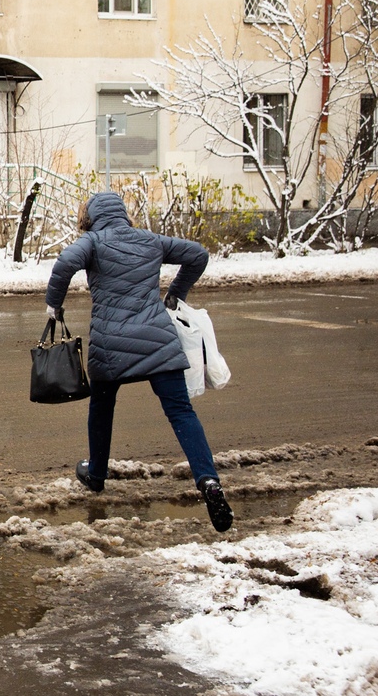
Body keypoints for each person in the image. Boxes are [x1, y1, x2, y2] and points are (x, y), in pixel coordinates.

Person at [45, 191, 233, 533]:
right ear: (122, 213)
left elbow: (63, 265)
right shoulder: (150, 240)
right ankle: (208, 481)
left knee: (102, 407)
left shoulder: (92, 242)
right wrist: (175, 293)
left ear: (89, 217)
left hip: (110, 344)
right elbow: (198, 255)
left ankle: (96, 474)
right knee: (181, 412)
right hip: (158, 341)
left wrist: (54, 306)